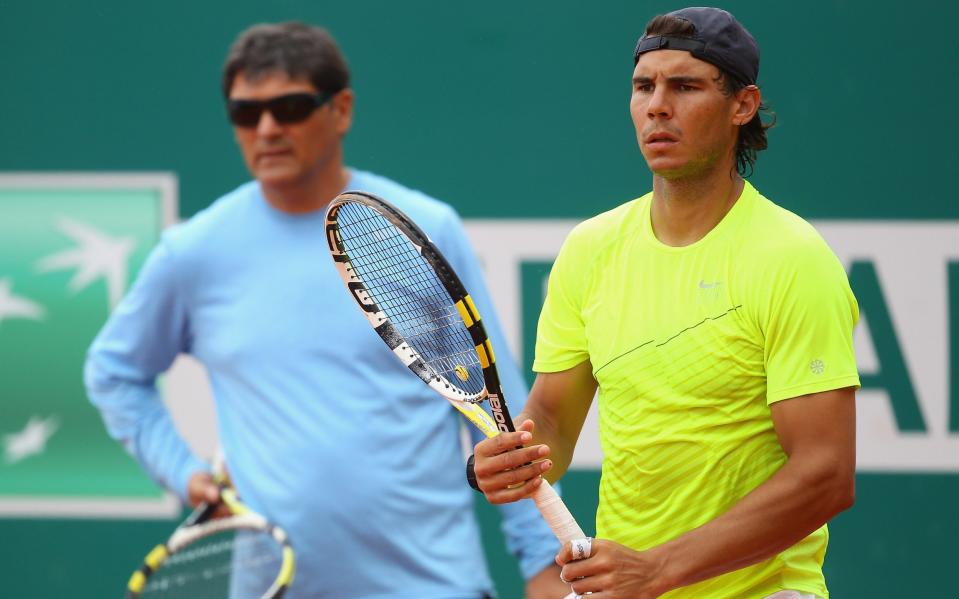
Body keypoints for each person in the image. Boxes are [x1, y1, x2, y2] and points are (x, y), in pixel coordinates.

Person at [84, 21, 569, 598]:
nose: (266, 129)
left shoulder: (425, 229)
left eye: (289, 107)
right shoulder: (193, 253)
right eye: (245, 113)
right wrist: (186, 474)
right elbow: (113, 372)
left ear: (340, 109)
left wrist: (544, 567)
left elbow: (506, 422)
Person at [471, 7, 859, 599]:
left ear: (742, 105)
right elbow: (551, 422)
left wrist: (659, 569)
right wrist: (512, 461)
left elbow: (826, 476)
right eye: (643, 86)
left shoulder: (792, 258)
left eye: (684, 86)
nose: (657, 106)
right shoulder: (590, 249)